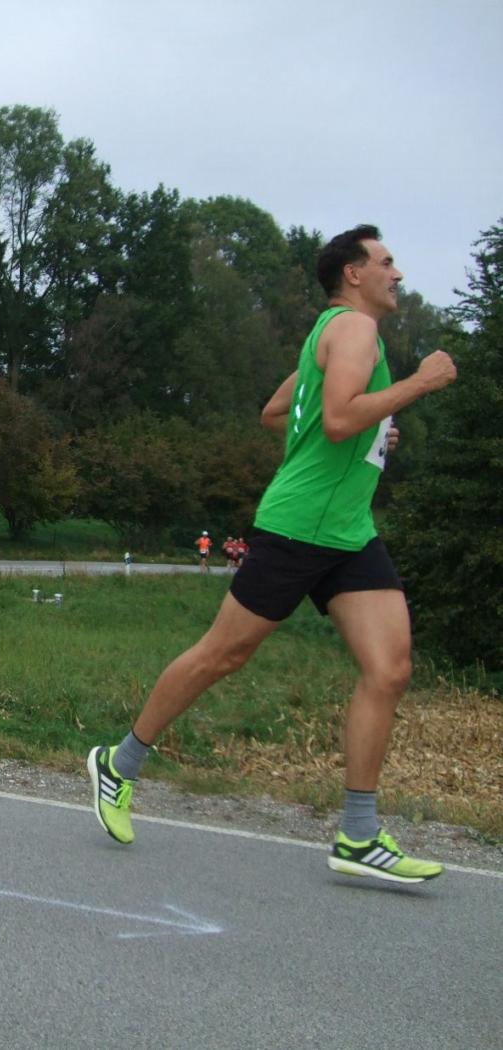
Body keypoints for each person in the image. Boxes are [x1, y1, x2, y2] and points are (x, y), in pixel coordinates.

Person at [87, 225, 457, 883]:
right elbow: (337, 420)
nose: (397, 273)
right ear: (352, 273)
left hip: (348, 533)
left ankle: (358, 835)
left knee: (389, 669)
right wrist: (419, 384)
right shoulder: (354, 330)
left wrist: (373, 424)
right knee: (221, 654)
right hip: (299, 527)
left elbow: (278, 413)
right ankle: (119, 764)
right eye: (386, 261)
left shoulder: (329, 334)